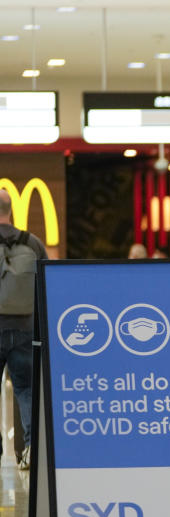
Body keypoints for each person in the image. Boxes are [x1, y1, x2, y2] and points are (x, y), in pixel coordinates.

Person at [0, 189, 48, 470]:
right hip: (25, 327)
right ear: (11, 211)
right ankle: (29, 449)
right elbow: (47, 282)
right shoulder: (32, 242)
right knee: (26, 389)